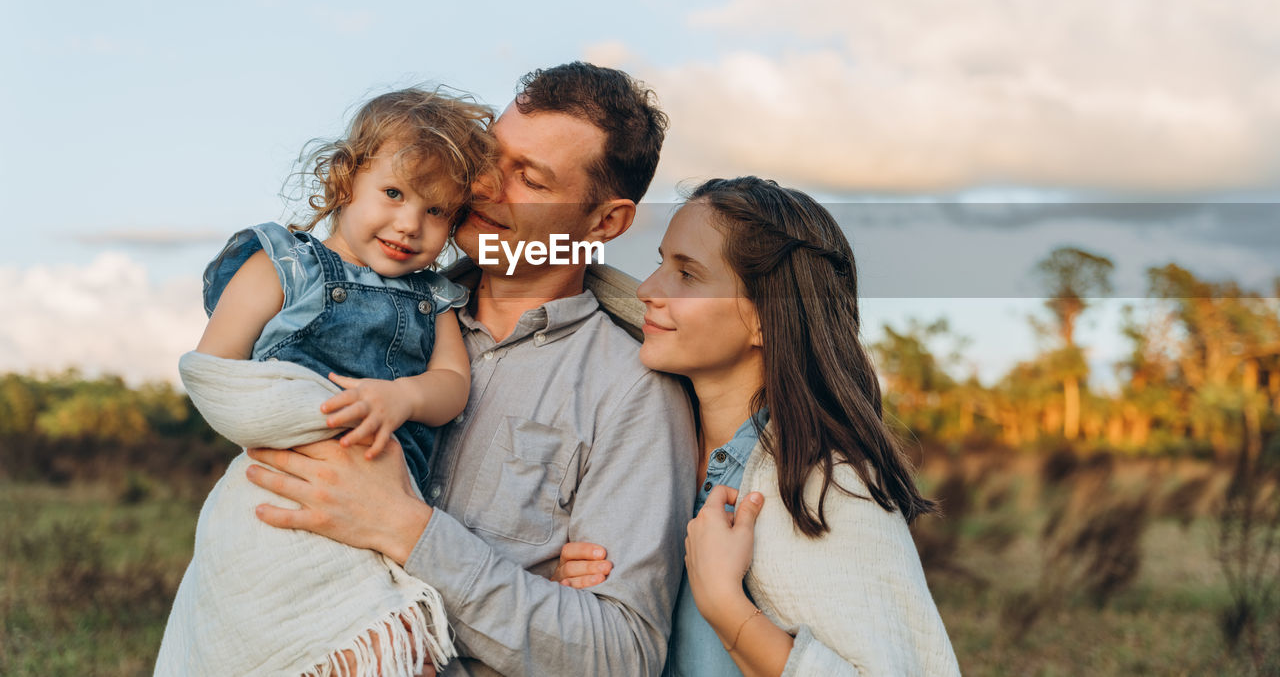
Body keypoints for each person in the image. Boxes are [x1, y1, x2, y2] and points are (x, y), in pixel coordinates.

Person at [245, 62, 698, 676]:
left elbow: (620, 654)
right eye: (488, 157)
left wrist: (410, 532)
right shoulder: (364, 302)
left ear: (605, 222)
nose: (485, 185)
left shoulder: (632, 393)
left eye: (529, 179)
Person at [560, 176, 962, 676]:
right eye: (660, 262)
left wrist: (726, 606)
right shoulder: (641, 446)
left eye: (687, 274)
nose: (647, 290)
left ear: (764, 320)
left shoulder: (826, 484)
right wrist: (576, 605)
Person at [157, 88, 497, 676]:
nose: (409, 224)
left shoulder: (433, 298)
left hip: (384, 510)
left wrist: (403, 396)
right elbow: (214, 370)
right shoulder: (284, 265)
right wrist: (312, 416)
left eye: (437, 211)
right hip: (281, 490)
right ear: (346, 181)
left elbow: (451, 387)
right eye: (393, 194)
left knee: (389, 652)